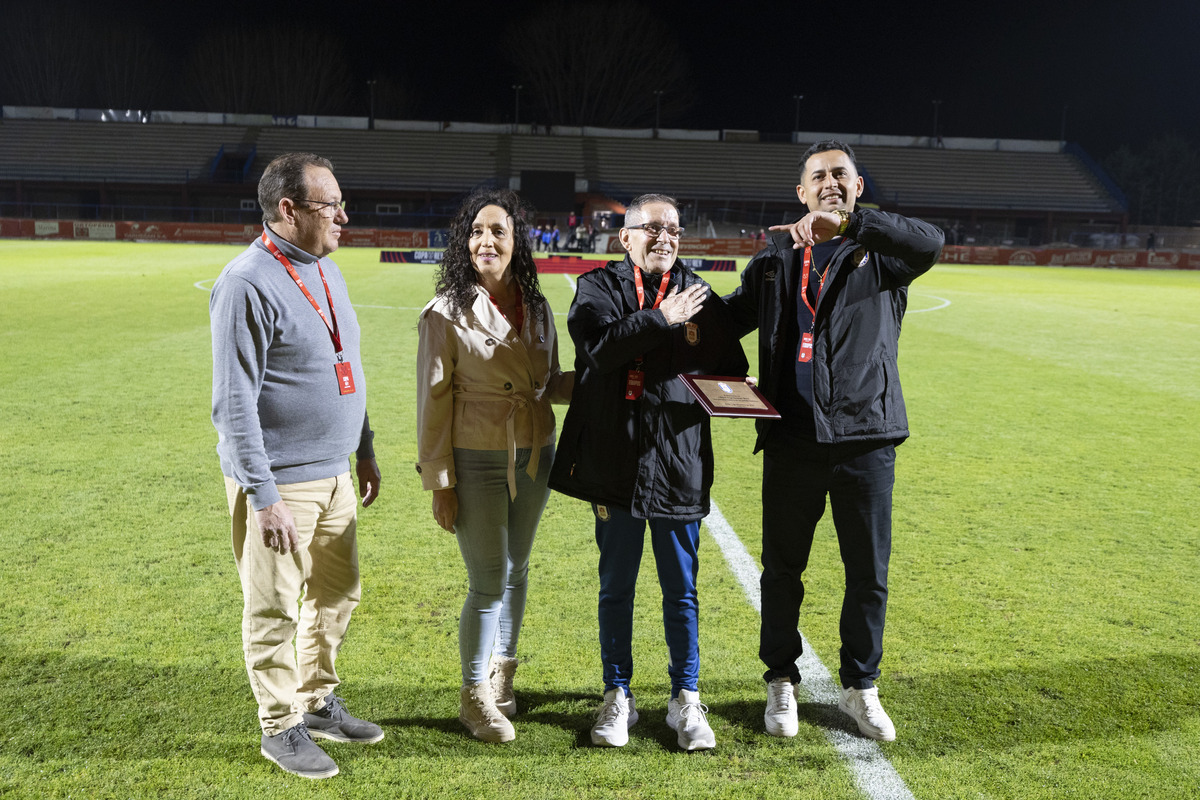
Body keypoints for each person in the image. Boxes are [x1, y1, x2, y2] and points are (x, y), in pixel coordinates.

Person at [724, 140, 943, 742]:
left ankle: (860, 686)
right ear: (800, 192)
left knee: (867, 573)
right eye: (817, 176)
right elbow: (725, 322)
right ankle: (780, 681)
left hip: (865, 440)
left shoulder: (883, 254)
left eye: (839, 175)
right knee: (782, 570)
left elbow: (931, 242)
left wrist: (850, 225)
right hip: (792, 439)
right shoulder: (775, 262)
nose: (828, 182)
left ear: (857, 186)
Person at [549, 193, 748, 751]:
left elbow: (732, 368)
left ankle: (685, 697)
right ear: (626, 237)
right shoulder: (597, 287)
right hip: (614, 463)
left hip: (679, 462)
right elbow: (598, 351)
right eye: (654, 228)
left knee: (680, 590)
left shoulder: (702, 296)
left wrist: (711, 377)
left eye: (675, 230)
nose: (666, 238)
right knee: (616, 586)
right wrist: (662, 319)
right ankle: (618, 695)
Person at [210, 152, 383, 780]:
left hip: (336, 473)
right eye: (329, 204)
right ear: (288, 210)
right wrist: (263, 495)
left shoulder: (326, 271)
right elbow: (233, 405)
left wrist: (363, 448)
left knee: (337, 595)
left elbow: (345, 368)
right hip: (281, 481)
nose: (342, 214)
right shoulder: (245, 282)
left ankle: (315, 701)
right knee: (275, 607)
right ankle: (278, 727)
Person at [416, 188, 573, 743]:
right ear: (465, 243)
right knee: (488, 581)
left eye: (497, 231)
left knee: (519, 569)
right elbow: (432, 403)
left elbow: (550, 383)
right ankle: (473, 695)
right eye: (476, 232)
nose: (486, 240)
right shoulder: (444, 314)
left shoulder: (538, 306)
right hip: (475, 458)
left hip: (535, 453)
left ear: (516, 242)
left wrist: (605, 380)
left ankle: (502, 670)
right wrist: (440, 482)